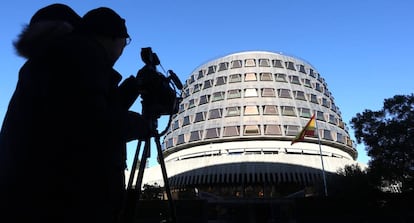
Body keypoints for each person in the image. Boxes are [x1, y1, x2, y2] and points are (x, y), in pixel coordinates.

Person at [0, 6, 146, 223]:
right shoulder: (83, 54)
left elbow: (79, 109)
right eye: (125, 41)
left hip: (31, 196)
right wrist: (143, 124)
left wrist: (134, 86)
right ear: (112, 37)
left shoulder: (54, 59)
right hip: (67, 201)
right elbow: (93, 125)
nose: (123, 49)